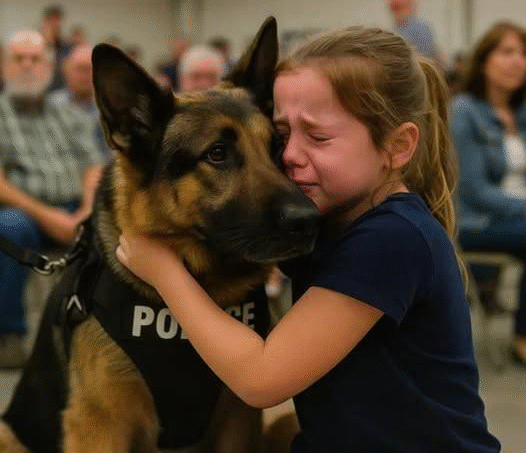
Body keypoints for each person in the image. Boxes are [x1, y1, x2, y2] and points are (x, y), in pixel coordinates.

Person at [116, 26, 500, 452]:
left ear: (397, 146)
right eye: (281, 135)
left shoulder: (391, 238)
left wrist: (164, 271)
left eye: (318, 137)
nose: (290, 155)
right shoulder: (338, 218)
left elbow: (261, 379)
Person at [0, 30, 104, 368]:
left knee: (116, 220)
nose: (27, 65)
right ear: (4, 66)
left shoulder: (69, 115)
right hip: (22, 211)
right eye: (18, 58)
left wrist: (86, 211)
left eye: (36, 59)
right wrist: (48, 217)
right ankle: (8, 335)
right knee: (9, 228)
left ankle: (100, 332)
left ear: (49, 67)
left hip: (76, 207)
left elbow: (93, 167)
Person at [450, 21, 526, 365]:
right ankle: (522, 337)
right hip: (478, 221)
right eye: (507, 52)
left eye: (523, 54)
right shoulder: (465, 110)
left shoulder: (520, 113)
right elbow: (474, 190)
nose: (518, 61)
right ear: (484, 62)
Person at [49, 44, 109, 158]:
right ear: (66, 71)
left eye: (89, 69)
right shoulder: (50, 106)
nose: (85, 75)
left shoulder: (108, 110)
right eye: (80, 69)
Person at [387, 0, 442, 68]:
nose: (393, 2)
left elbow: (428, 59)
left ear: (409, 3)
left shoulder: (421, 28)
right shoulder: (395, 28)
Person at [40, 4, 72, 91]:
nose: (54, 24)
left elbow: (66, 70)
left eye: (57, 20)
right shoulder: (35, 45)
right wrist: (47, 45)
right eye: (50, 20)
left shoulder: (66, 47)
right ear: (45, 21)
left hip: (59, 89)